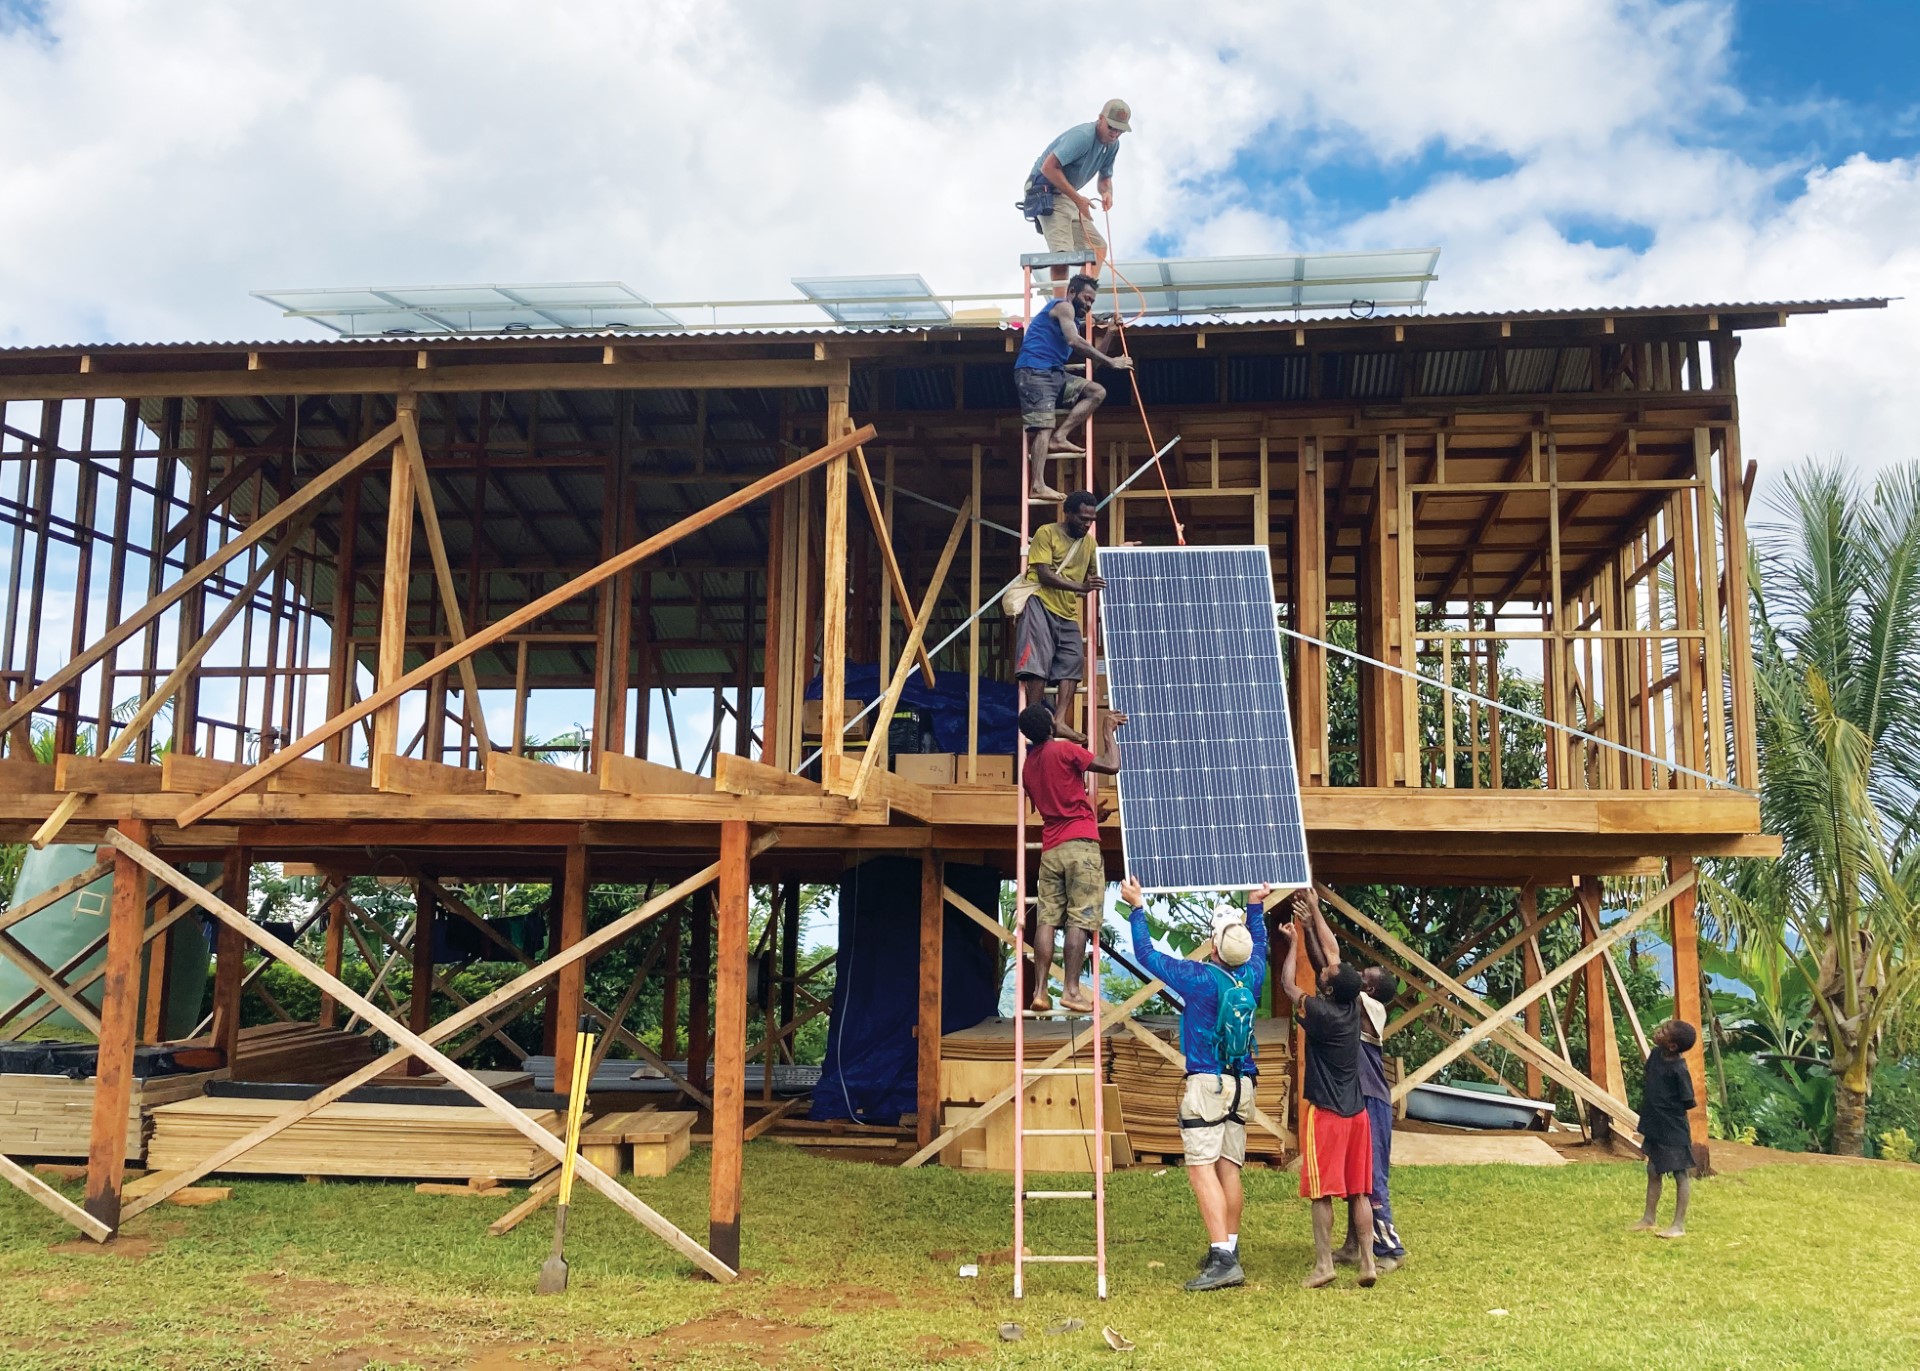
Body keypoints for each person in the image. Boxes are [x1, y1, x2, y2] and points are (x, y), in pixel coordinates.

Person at [1119, 874, 1271, 1293]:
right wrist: (1256, 907)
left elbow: (1148, 955)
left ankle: (1222, 1258)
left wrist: (1136, 908)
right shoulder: (1254, 975)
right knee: (1230, 1167)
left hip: (1207, 1086)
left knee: (1201, 1168)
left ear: (1215, 946)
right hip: (1243, 1083)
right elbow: (1260, 945)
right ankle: (1231, 1248)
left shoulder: (1200, 979)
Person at [1293, 892, 1406, 1272]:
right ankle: (1355, 1246)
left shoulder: (1368, 1007)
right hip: (1358, 1094)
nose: (1359, 974)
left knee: (1371, 1177)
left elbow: (1333, 959)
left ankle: (1388, 1249)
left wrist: (1317, 914)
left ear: (1369, 990)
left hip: (1369, 1098)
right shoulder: (1349, 1002)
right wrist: (1309, 928)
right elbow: (1328, 969)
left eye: (1365, 977)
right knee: (1355, 1177)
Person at [1275, 898, 1378, 1290]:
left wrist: (1293, 945)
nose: (1328, 965)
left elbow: (1288, 985)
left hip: (1329, 1117)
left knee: (1322, 1193)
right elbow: (1332, 953)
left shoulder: (1322, 1013)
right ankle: (1367, 1262)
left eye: (1328, 973)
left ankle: (1324, 1265)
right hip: (1358, 1116)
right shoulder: (1350, 1004)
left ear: (1329, 988)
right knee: (1358, 1192)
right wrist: (1314, 912)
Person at [1019, 704, 1124, 1013]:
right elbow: (1111, 765)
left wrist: (1092, 815)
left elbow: (1056, 805)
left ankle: (1039, 991)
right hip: (1081, 846)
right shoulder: (1065, 752)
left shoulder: (1027, 767)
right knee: (1079, 918)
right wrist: (1107, 731)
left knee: (1047, 918)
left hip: (1051, 849)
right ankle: (1072, 991)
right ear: (1051, 726)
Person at [1013, 276, 1132, 501]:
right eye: (1087, 298)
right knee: (1043, 425)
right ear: (1072, 291)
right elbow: (1074, 342)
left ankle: (1061, 436)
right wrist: (1112, 362)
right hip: (1034, 371)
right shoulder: (1063, 306)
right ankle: (1037, 484)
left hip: (1055, 373)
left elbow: (1094, 363)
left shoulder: (1073, 320)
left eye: (1092, 302)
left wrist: (1110, 333)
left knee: (1097, 392)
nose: (1089, 305)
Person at [1016, 490, 1106, 735]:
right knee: (1038, 661)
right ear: (1067, 514)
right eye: (1082, 518)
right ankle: (1034, 722)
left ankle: (1059, 721)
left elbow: (1100, 571)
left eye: (1091, 520)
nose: (1087, 524)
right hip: (1039, 602)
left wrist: (1120, 552)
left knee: (1073, 659)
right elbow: (1044, 574)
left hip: (1066, 611)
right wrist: (1081, 587)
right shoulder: (1047, 533)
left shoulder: (1089, 543)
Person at [1019, 100, 1133, 282]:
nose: (1115, 133)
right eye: (1111, 127)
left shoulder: (1113, 145)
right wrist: (1078, 199)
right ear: (1100, 119)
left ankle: (1079, 303)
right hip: (1045, 191)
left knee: (1097, 247)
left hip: (1067, 196)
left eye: (1120, 130)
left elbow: (1105, 178)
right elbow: (1048, 168)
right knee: (1062, 255)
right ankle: (1059, 308)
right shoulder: (1082, 136)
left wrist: (1107, 192)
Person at [1634, 1019, 1699, 1238]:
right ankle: (1648, 1218)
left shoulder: (1679, 1069)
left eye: (1663, 1031)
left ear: (1672, 1046)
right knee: (1653, 1169)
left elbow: (1688, 1100)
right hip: (1655, 1124)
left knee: (1680, 1175)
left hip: (1673, 1129)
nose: (1657, 1030)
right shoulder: (1655, 1055)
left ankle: (1678, 1225)